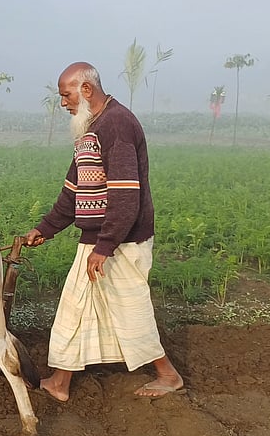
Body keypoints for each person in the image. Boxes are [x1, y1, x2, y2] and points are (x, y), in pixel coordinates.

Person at [24, 61, 184, 401]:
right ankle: (60, 382)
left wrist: (105, 246)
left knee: (128, 308)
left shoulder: (117, 124)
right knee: (76, 306)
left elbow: (126, 194)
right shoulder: (89, 128)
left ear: (86, 89)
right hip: (99, 239)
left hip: (122, 241)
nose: (63, 103)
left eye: (65, 95)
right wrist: (45, 229)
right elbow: (74, 190)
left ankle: (168, 375)